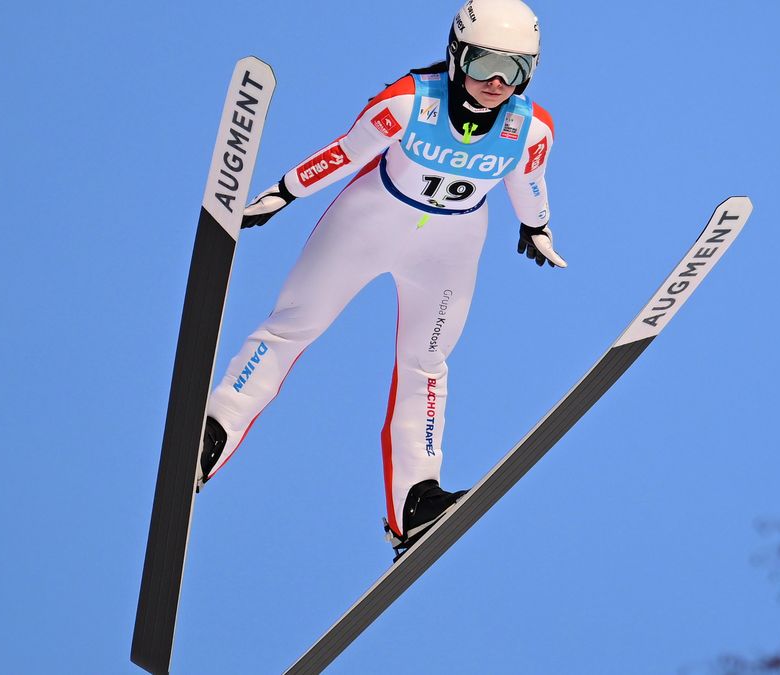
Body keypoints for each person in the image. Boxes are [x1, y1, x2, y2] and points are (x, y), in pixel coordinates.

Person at [198, 0, 563, 559]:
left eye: (514, 70)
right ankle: (211, 435)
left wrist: (536, 228)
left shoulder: (531, 127)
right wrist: (280, 194)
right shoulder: (409, 101)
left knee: (427, 364)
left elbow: (529, 179)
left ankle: (415, 502)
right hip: (369, 222)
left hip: (450, 248)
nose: (496, 81)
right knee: (293, 327)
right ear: (458, 54)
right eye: (486, 63)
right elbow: (344, 154)